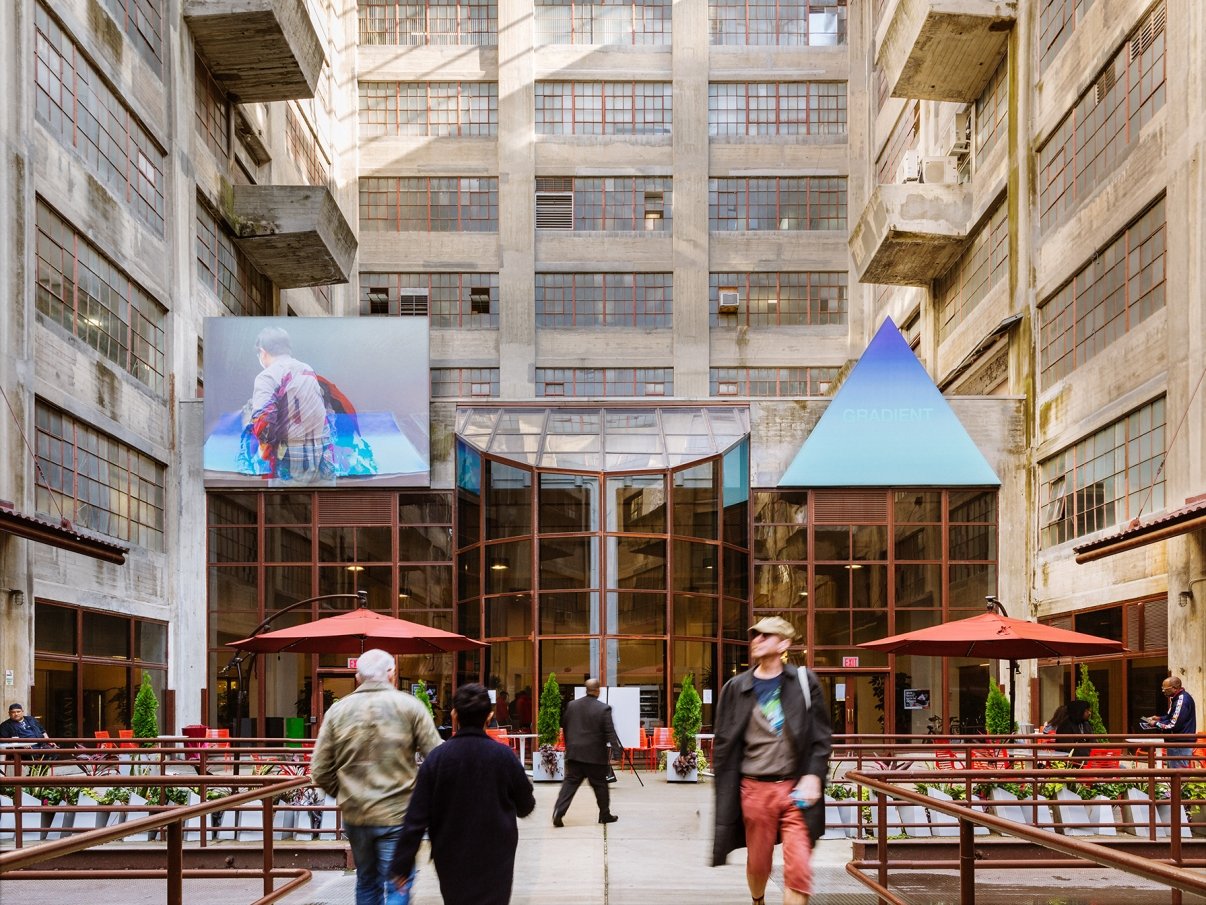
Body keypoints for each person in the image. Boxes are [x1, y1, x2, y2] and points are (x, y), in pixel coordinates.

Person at [711, 616, 832, 905]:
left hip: (796, 790)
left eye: (766, 635)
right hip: (755, 790)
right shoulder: (736, 688)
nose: (757, 640)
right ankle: (758, 900)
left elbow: (821, 736)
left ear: (784, 644)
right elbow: (724, 744)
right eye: (755, 635)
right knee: (758, 863)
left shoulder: (803, 682)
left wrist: (814, 775)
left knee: (799, 868)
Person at [310, 649, 442, 905]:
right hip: (397, 813)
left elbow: (320, 770)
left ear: (358, 677)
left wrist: (345, 791)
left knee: (366, 881)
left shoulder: (337, 712)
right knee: (398, 883)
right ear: (392, 674)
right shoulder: (410, 707)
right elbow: (437, 758)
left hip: (355, 815)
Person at [389, 684, 535, 905]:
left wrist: (402, 863)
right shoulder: (504, 756)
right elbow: (526, 805)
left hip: (450, 853)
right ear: (490, 716)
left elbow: (416, 817)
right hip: (496, 854)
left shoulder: (437, 759)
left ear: (454, 714)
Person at [244, 326, 336, 483]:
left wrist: (263, 450)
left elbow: (263, 423)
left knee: (280, 507)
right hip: (322, 460)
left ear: (262, 351)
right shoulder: (307, 370)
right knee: (323, 507)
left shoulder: (267, 376)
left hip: (289, 464)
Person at [551, 677, 623, 827]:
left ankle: (559, 811)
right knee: (600, 785)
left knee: (570, 784)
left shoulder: (572, 706)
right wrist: (617, 752)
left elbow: (565, 727)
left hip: (575, 754)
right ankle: (604, 814)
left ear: (586, 689)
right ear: (597, 690)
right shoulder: (603, 709)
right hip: (595, 757)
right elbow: (610, 733)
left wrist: (570, 746)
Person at [1141, 676, 1198, 768]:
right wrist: (1159, 719)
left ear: (1175, 688)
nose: (1163, 691)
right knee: (1174, 773)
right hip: (1177, 742)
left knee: (1177, 773)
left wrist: (1155, 723)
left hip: (1180, 742)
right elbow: (1171, 717)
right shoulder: (1177, 698)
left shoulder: (1181, 701)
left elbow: (1173, 725)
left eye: (1165, 689)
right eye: (1162, 688)